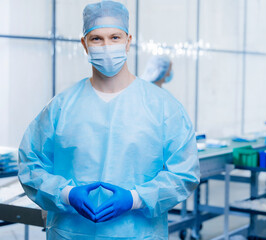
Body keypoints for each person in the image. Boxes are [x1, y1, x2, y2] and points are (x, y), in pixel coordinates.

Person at [17, 1, 200, 239]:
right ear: (84, 44)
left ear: (128, 41)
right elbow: (30, 164)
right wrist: (66, 194)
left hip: (137, 234)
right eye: (96, 39)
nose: (106, 46)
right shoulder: (61, 108)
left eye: (115, 37)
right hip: (71, 233)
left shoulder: (163, 107)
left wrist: (136, 199)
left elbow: (184, 174)